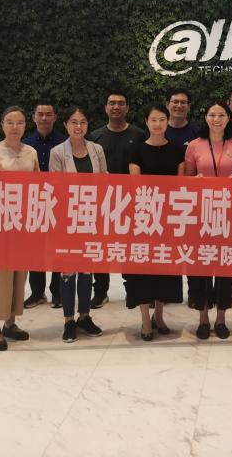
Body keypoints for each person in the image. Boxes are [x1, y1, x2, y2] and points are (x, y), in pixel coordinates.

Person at [0, 106, 37, 350]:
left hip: (22, 223)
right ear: (2, 125)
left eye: (19, 122)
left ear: (25, 126)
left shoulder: (31, 152)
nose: (14, 126)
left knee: (18, 275)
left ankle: (10, 322)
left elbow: (38, 185)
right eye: (10, 122)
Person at [184, 101, 232, 339]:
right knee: (199, 268)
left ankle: (221, 318)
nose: (216, 119)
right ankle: (203, 317)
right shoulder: (194, 145)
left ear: (228, 118)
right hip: (199, 216)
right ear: (206, 118)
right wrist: (195, 182)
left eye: (221, 115)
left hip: (228, 215)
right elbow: (185, 182)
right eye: (212, 114)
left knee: (224, 268)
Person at [49, 106, 108, 343]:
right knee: (68, 270)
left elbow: (104, 179)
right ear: (65, 124)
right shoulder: (57, 152)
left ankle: (84, 316)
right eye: (73, 122)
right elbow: (56, 186)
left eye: (82, 122)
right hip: (67, 219)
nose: (78, 126)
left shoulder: (96, 149)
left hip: (91, 217)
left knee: (86, 267)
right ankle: (68, 320)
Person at [127, 105, 186, 340]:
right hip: (144, 217)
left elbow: (180, 186)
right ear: (146, 122)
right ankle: (145, 319)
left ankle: (159, 315)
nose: (158, 124)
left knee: (166, 269)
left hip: (169, 219)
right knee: (142, 269)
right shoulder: (137, 149)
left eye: (162, 119)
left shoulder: (177, 151)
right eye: (153, 119)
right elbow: (135, 185)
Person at [87, 88, 145, 308]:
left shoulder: (138, 135)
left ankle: (133, 292)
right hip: (103, 202)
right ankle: (100, 291)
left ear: (127, 108)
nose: (116, 107)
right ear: (105, 108)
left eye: (121, 103)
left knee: (129, 249)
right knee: (101, 249)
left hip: (132, 203)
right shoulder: (95, 136)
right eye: (112, 103)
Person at [23, 100, 65, 309]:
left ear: (55, 117)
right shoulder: (26, 144)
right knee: (35, 249)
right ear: (34, 117)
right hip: (34, 203)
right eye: (40, 114)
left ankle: (57, 292)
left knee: (58, 247)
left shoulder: (64, 143)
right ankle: (37, 292)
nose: (44, 118)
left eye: (49, 114)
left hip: (59, 203)